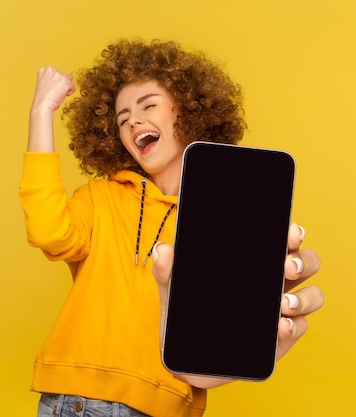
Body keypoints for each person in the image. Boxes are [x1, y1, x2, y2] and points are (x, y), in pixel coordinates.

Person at [19, 38, 323, 417]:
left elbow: (212, 346)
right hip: (77, 401)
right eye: (122, 118)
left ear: (188, 110)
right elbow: (48, 232)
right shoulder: (99, 197)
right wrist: (41, 111)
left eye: (148, 105)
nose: (133, 120)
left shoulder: (226, 221)